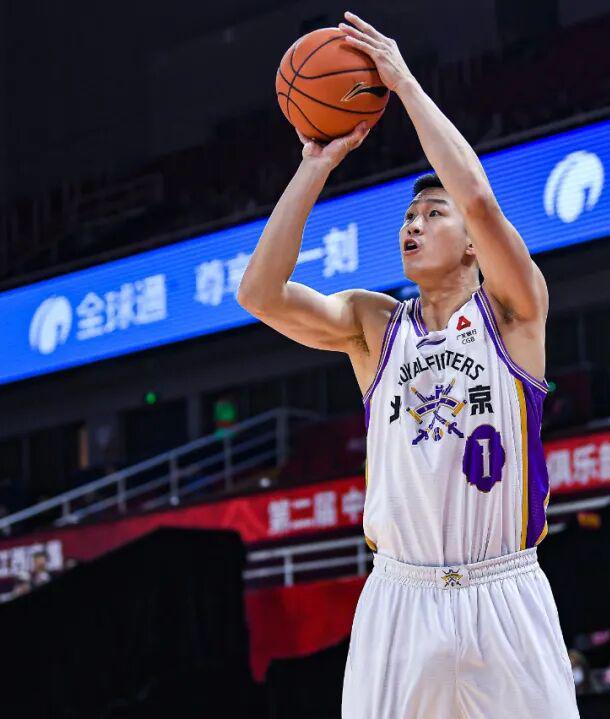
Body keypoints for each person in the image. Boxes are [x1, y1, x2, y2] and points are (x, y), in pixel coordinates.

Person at [237, 12, 577, 718]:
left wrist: (405, 85)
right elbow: (260, 295)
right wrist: (314, 165)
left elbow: (477, 197)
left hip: (504, 590)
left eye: (432, 214)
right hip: (399, 596)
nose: (413, 224)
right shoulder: (374, 325)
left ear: (475, 243)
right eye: (408, 217)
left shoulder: (514, 312)